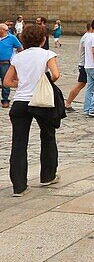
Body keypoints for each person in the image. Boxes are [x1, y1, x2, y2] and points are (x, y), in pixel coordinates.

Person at [4, 21, 61, 195]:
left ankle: (19, 186)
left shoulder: (18, 57)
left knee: (19, 143)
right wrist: (42, 83)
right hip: (40, 100)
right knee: (48, 136)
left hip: (20, 102)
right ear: (43, 40)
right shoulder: (47, 54)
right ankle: (47, 176)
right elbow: (56, 75)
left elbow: (7, 81)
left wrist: (22, 84)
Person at [0, 22, 23, 109]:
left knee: (5, 82)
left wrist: (17, 58)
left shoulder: (12, 38)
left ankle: (5, 100)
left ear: (2, 30)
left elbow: (20, 48)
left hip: (5, 63)